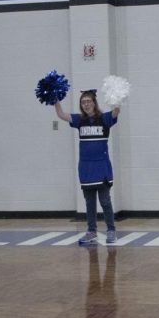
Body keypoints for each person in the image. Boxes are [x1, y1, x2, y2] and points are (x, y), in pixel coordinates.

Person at [55, 90, 120, 246]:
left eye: (88, 101)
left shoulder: (104, 118)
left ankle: (111, 230)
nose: (86, 104)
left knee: (105, 201)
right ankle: (91, 231)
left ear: (94, 103)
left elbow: (116, 111)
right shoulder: (79, 120)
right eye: (83, 102)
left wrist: (116, 96)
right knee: (89, 203)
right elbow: (61, 115)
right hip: (86, 167)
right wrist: (55, 99)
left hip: (102, 166)